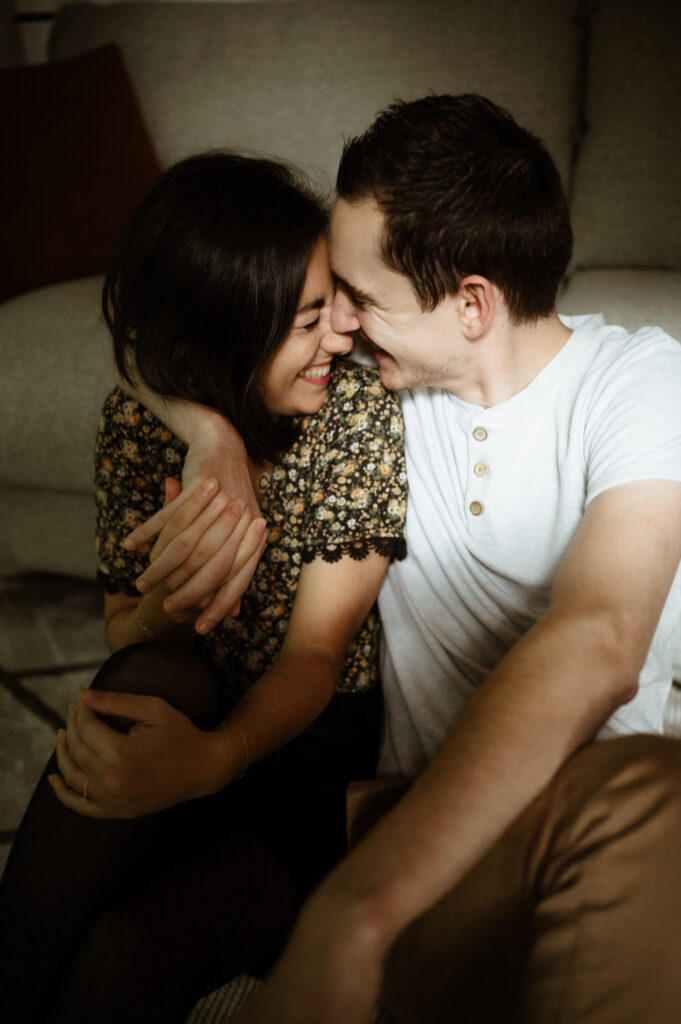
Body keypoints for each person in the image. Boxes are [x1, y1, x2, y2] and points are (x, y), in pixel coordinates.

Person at [124, 95, 681, 1024]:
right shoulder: (371, 394)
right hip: (399, 832)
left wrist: (352, 917)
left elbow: (600, 634)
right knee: (130, 941)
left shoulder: (642, 385)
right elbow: (157, 328)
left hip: (582, 839)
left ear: (470, 304)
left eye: (362, 296)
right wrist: (208, 432)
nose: (335, 319)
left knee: (653, 793)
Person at [0, 153, 407, 1024]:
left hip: (300, 760)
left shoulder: (354, 414)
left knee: (118, 952)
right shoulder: (142, 425)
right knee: (147, 679)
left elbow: (315, 657)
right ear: (228, 335)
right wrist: (178, 591)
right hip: (194, 702)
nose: (342, 330)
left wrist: (211, 763)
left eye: (331, 298)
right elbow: (125, 630)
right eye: (307, 318)